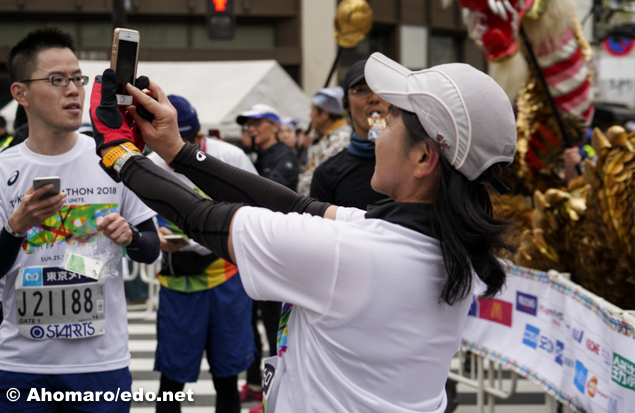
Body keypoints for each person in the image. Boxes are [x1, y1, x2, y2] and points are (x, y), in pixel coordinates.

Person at [89, 52, 517, 412]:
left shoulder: (355, 253)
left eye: (389, 123)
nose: (376, 133)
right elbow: (296, 206)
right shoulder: (440, 243)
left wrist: (117, 151)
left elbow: (202, 217)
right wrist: (178, 152)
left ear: (423, 157)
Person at [0, 27, 159, 412]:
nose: (73, 90)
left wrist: (131, 237)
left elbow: (151, 248)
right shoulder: (3, 169)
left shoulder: (115, 158)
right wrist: (15, 228)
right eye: (57, 80)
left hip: (100, 365)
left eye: (77, 78)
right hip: (21, 366)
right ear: (20, 93)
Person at [148, 95, 256, 413]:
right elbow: (133, 216)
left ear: (200, 133)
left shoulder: (229, 156)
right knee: (172, 382)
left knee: (226, 378)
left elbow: (259, 206)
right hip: (178, 283)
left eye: (188, 140)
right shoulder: (150, 165)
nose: (177, 150)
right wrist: (154, 235)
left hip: (226, 278)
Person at [235, 103, 299, 404]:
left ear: (274, 126)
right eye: (248, 124)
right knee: (249, 323)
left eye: (257, 123)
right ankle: (255, 383)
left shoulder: (284, 156)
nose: (251, 129)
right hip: (252, 250)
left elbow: (267, 196)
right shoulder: (253, 155)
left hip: (276, 253)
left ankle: (276, 395)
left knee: (274, 324)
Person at [310, 59, 391, 209]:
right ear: (345, 103)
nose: (374, 98)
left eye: (381, 89)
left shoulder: (419, 162)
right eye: (361, 90)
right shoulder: (326, 175)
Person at [296, 87, 352, 196]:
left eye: (312, 110)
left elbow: (320, 180)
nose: (310, 115)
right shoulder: (329, 137)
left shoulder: (340, 139)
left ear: (325, 113)